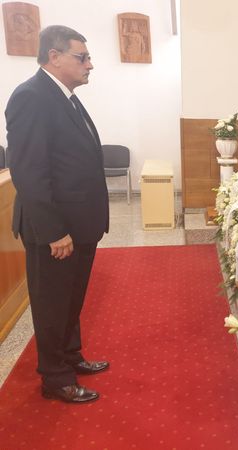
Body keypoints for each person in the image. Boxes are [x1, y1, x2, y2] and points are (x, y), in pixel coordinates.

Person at [5, 25, 109, 403]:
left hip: (78, 224)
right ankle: (55, 377)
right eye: (82, 57)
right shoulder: (31, 97)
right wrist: (53, 231)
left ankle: (70, 355)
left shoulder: (65, 96)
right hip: (55, 229)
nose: (89, 65)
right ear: (54, 56)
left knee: (70, 299)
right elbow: (29, 171)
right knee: (52, 304)